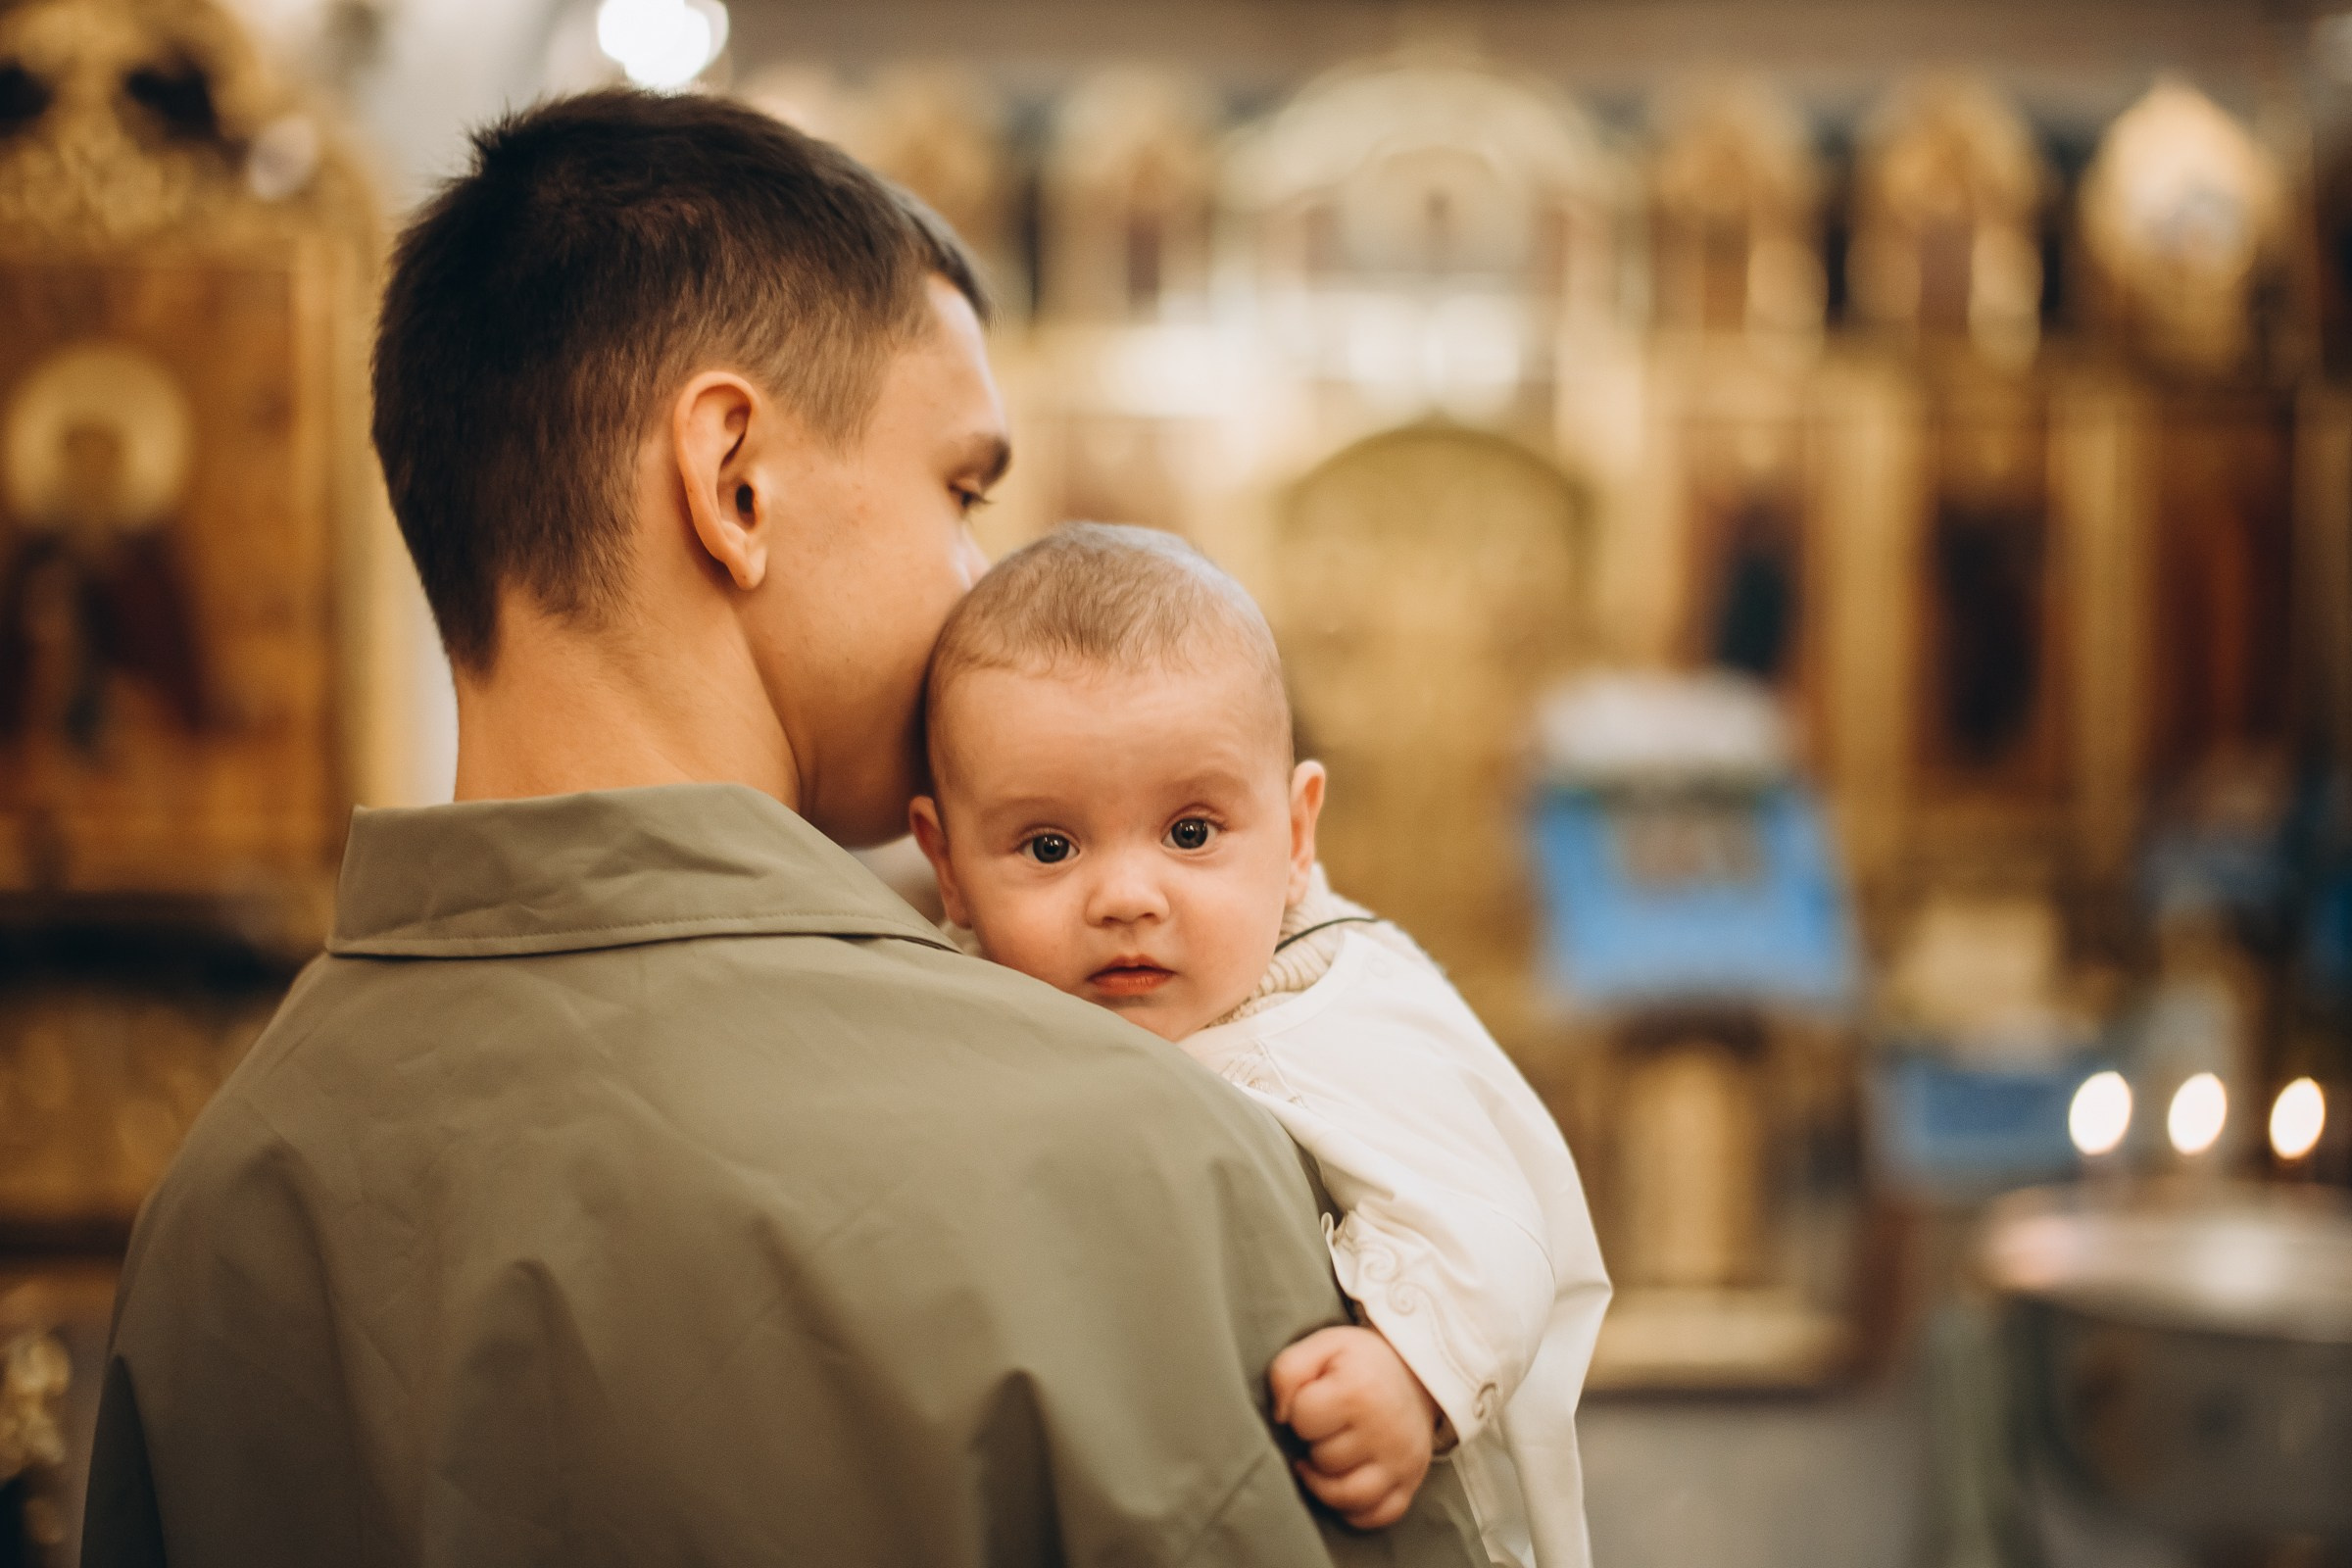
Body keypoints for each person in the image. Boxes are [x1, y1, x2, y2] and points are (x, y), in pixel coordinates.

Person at [80, 91, 1487, 1567]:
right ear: (734, 481)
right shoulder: (1131, 1159)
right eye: (960, 492)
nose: (982, 584)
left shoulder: (222, 1203)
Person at [906, 525, 1612, 1568]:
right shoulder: (953, 1007)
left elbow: (1497, 1226)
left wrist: (1409, 1377)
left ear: (1296, 834)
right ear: (948, 866)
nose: (1127, 897)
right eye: (1048, 846)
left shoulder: (1346, 1007)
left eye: (1190, 832)